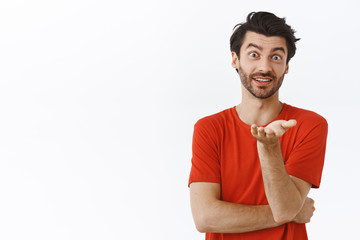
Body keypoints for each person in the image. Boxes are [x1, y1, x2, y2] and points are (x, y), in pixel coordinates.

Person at [188, 11, 328, 240]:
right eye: (254, 54)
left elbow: (285, 208)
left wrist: (269, 148)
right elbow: (204, 217)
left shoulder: (309, 125)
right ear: (235, 59)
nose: (264, 67)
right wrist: (292, 212)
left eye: (276, 57)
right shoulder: (209, 128)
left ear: (286, 66)